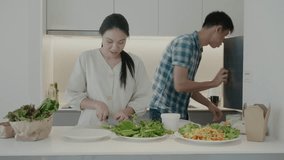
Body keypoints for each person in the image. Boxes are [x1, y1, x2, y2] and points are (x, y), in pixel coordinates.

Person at [65, 13, 152, 127]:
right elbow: (72, 94)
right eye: (109, 41)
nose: (115, 47)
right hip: (91, 127)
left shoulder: (135, 63)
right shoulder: (87, 58)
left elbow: (144, 96)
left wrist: (127, 111)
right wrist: (97, 105)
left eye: (121, 42)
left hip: (123, 128)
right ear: (102, 36)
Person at [149, 11, 234, 122]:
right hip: (163, 112)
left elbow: (188, 88)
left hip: (175, 112)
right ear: (218, 29)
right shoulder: (185, 43)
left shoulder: (197, 50)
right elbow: (180, 85)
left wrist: (209, 105)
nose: (222, 41)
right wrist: (213, 83)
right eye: (223, 36)